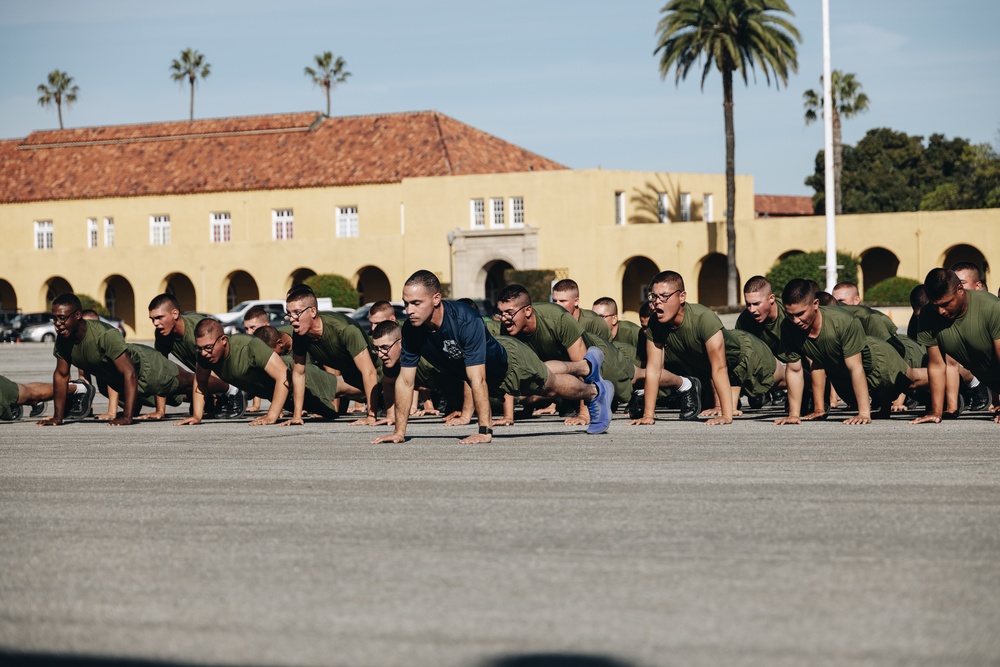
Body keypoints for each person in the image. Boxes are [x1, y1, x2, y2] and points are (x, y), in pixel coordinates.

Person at [372, 270, 612, 444]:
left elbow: (478, 379)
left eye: (416, 303)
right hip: (493, 370)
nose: (409, 310)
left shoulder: (465, 320)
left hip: (510, 363)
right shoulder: (412, 330)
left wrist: (484, 430)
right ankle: (585, 365)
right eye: (406, 304)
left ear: (436, 299)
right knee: (545, 372)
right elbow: (405, 381)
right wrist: (399, 432)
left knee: (549, 386)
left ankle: (596, 392)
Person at [631, 271, 778, 426]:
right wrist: (648, 415)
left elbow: (719, 367)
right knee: (715, 404)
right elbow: (654, 369)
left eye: (664, 296)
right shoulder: (655, 324)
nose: (657, 302)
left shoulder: (703, 318)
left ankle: (805, 389)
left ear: (682, 297)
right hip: (722, 372)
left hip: (747, 355)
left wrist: (726, 416)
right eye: (653, 296)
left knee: (782, 381)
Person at [780, 279, 928, 425]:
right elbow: (794, 370)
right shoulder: (788, 327)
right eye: (790, 315)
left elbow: (855, 367)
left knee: (912, 380)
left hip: (877, 358)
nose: (795, 320)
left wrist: (864, 413)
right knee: (885, 394)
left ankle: (946, 377)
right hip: (844, 371)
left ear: (815, 304)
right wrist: (794, 414)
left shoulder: (842, 321)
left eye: (800, 314)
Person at [37, 294, 195, 426]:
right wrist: (57, 417)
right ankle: (209, 400)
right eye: (54, 319)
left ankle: (219, 390)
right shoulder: (63, 339)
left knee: (190, 383)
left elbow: (129, 372)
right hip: (124, 380)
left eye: (62, 318)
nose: (57, 324)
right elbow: (61, 375)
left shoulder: (104, 335)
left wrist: (128, 417)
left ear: (78, 315)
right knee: (178, 395)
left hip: (146, 367)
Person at [496, 284, 635, 427]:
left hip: (598, 356)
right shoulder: (507, 328)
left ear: (527, 311)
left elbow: (585, 367)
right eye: (500, 313)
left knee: (635, 378)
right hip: (565, 365)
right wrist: (508, 416)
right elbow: (510, 371)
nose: (504, 318)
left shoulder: (557, 318)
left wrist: (584, 414)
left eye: (509, 312)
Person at [911, 268, 1000, 425]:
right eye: (935, 305)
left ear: (960, 290)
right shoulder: (928, 316)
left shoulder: (991, 307)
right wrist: (936, 411)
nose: (941, 311)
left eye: (946, 304)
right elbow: (937, 366)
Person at [285, 286, 382, 426]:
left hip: (383, 372)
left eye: (297, 313)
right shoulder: (300, 335)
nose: (292, 319)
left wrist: (371, 416)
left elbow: (369, 371)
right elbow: (299, 373)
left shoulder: (344, 329)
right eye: (289, 313)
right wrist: (297, 416)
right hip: (354, 378)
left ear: (313, 311)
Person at [148, 293, 246, 418]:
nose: (155, 323)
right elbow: (160, 372)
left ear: (175, 314)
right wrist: (160, 411)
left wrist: (217, 396)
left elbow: (214, 362)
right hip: (205, 375)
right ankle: (215, 394)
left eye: (160, 317)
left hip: (234, 374)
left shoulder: (196, 329)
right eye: (152, 319)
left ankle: (232, 390)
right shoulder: (161, 335)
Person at [184, 318, 293, 426]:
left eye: (208, 347)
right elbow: (201, 381)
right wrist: (197, 416)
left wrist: (272, 415)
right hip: (286, 400)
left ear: (223, 340)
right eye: (199, 348)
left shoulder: (249, 346)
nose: (203, 353)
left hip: (301, 389)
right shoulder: (204, 355)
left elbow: (283, 374)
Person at [735, 275, 807, 422]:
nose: (752, 309)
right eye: (748, 304)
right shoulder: (745, 320)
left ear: (771, 298)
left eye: (756, 304)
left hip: (798, 367)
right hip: (769, 367)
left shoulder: (790, 315)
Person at [591, 296, 645, 366]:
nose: (595, 321)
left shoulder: (634, 333)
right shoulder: (593, 334)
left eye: (600, 317)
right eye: (592, 317)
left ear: (614, 319)